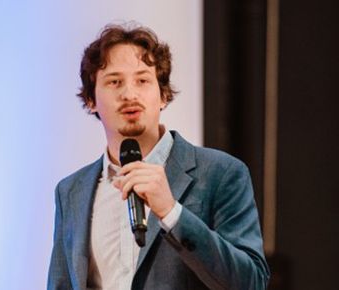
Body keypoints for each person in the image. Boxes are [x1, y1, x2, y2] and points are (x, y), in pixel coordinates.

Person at [47, 23, 270, 290]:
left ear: (163, 95)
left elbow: (252, 283)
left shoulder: (220, 174)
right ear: (91, 99)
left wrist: (171, 212)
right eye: (114, 82)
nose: (129, 94)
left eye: (142, 80)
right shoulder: (71, 191)